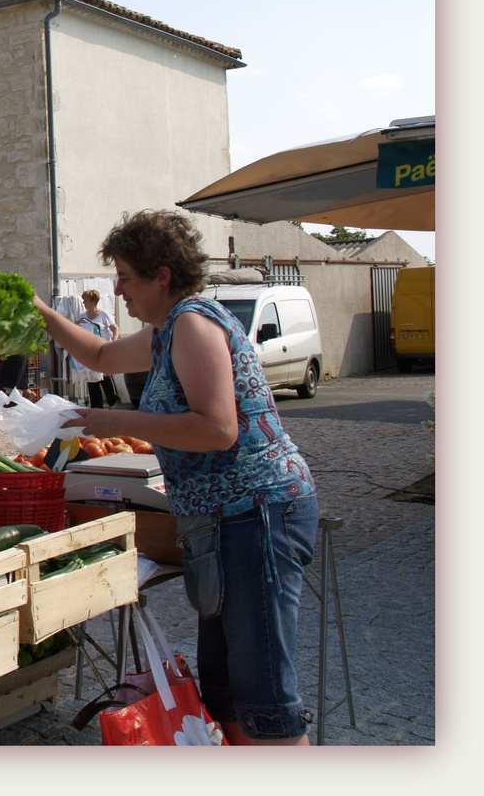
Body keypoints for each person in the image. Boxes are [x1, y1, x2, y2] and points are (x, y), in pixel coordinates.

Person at [31, 209, 317, 746]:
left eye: (125, 277)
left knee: (263, 695)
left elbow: (218, 428)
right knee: (226, 687)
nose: (117, 289)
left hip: (256, 514)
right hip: (217, 520)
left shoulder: (192, 323)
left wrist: (117, 421)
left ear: (161, 276)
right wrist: (41, 312)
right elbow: (97, 354)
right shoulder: (165, 331)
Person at [76, 289, 121, 409]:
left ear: (93, 301)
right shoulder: (82, 316)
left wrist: (114, 341)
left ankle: (112, 400)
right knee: (91, 377)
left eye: (86, 300)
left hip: (103, 349)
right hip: (89, 351)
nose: (84, 302)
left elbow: (115, 328)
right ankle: (96, 406)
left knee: (103, 376)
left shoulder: (103, 315)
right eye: (83, 300)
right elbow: (75, 328)